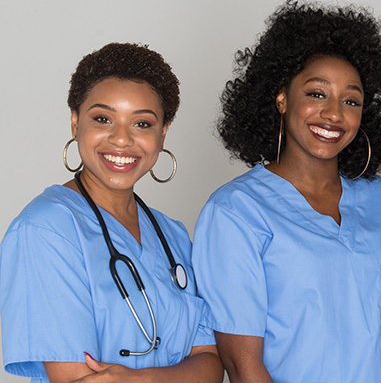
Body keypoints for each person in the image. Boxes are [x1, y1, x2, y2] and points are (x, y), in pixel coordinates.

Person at [191, 0, 381, 383]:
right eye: (317, 94)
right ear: (282, 97)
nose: (334, 113)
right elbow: (242, 365)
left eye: (351, 100)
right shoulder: (236, 211)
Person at [0, 43, 223, 383]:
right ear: (75, 122)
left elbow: (210, 363)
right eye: (103, 119)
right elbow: (75, 378)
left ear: (162, 135)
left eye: (143, 124)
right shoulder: (44, 231)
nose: (121, 139)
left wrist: (136, 379)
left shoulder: (172, 235)